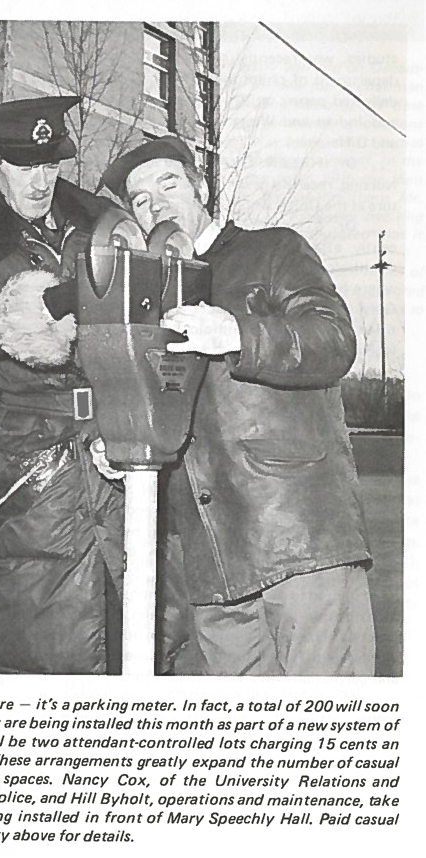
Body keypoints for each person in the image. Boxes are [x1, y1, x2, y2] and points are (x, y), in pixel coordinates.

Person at [97, 135, 375, 675]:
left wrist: (238, 333)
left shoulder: (272, 250)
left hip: (298, 542)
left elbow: (334, 339)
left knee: (334, 737)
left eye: (168, 183)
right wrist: (117, 439)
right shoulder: (147, 289)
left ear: (200, 187)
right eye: (139, 198)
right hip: (212, 566)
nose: (155, 204)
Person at [0, 96, 126, 674]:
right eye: (24, 166)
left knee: (138, 639)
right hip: (25, 474)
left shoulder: (107, 232)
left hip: (120, 448)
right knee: (44, 653)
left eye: (51, 164)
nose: (42, 180)